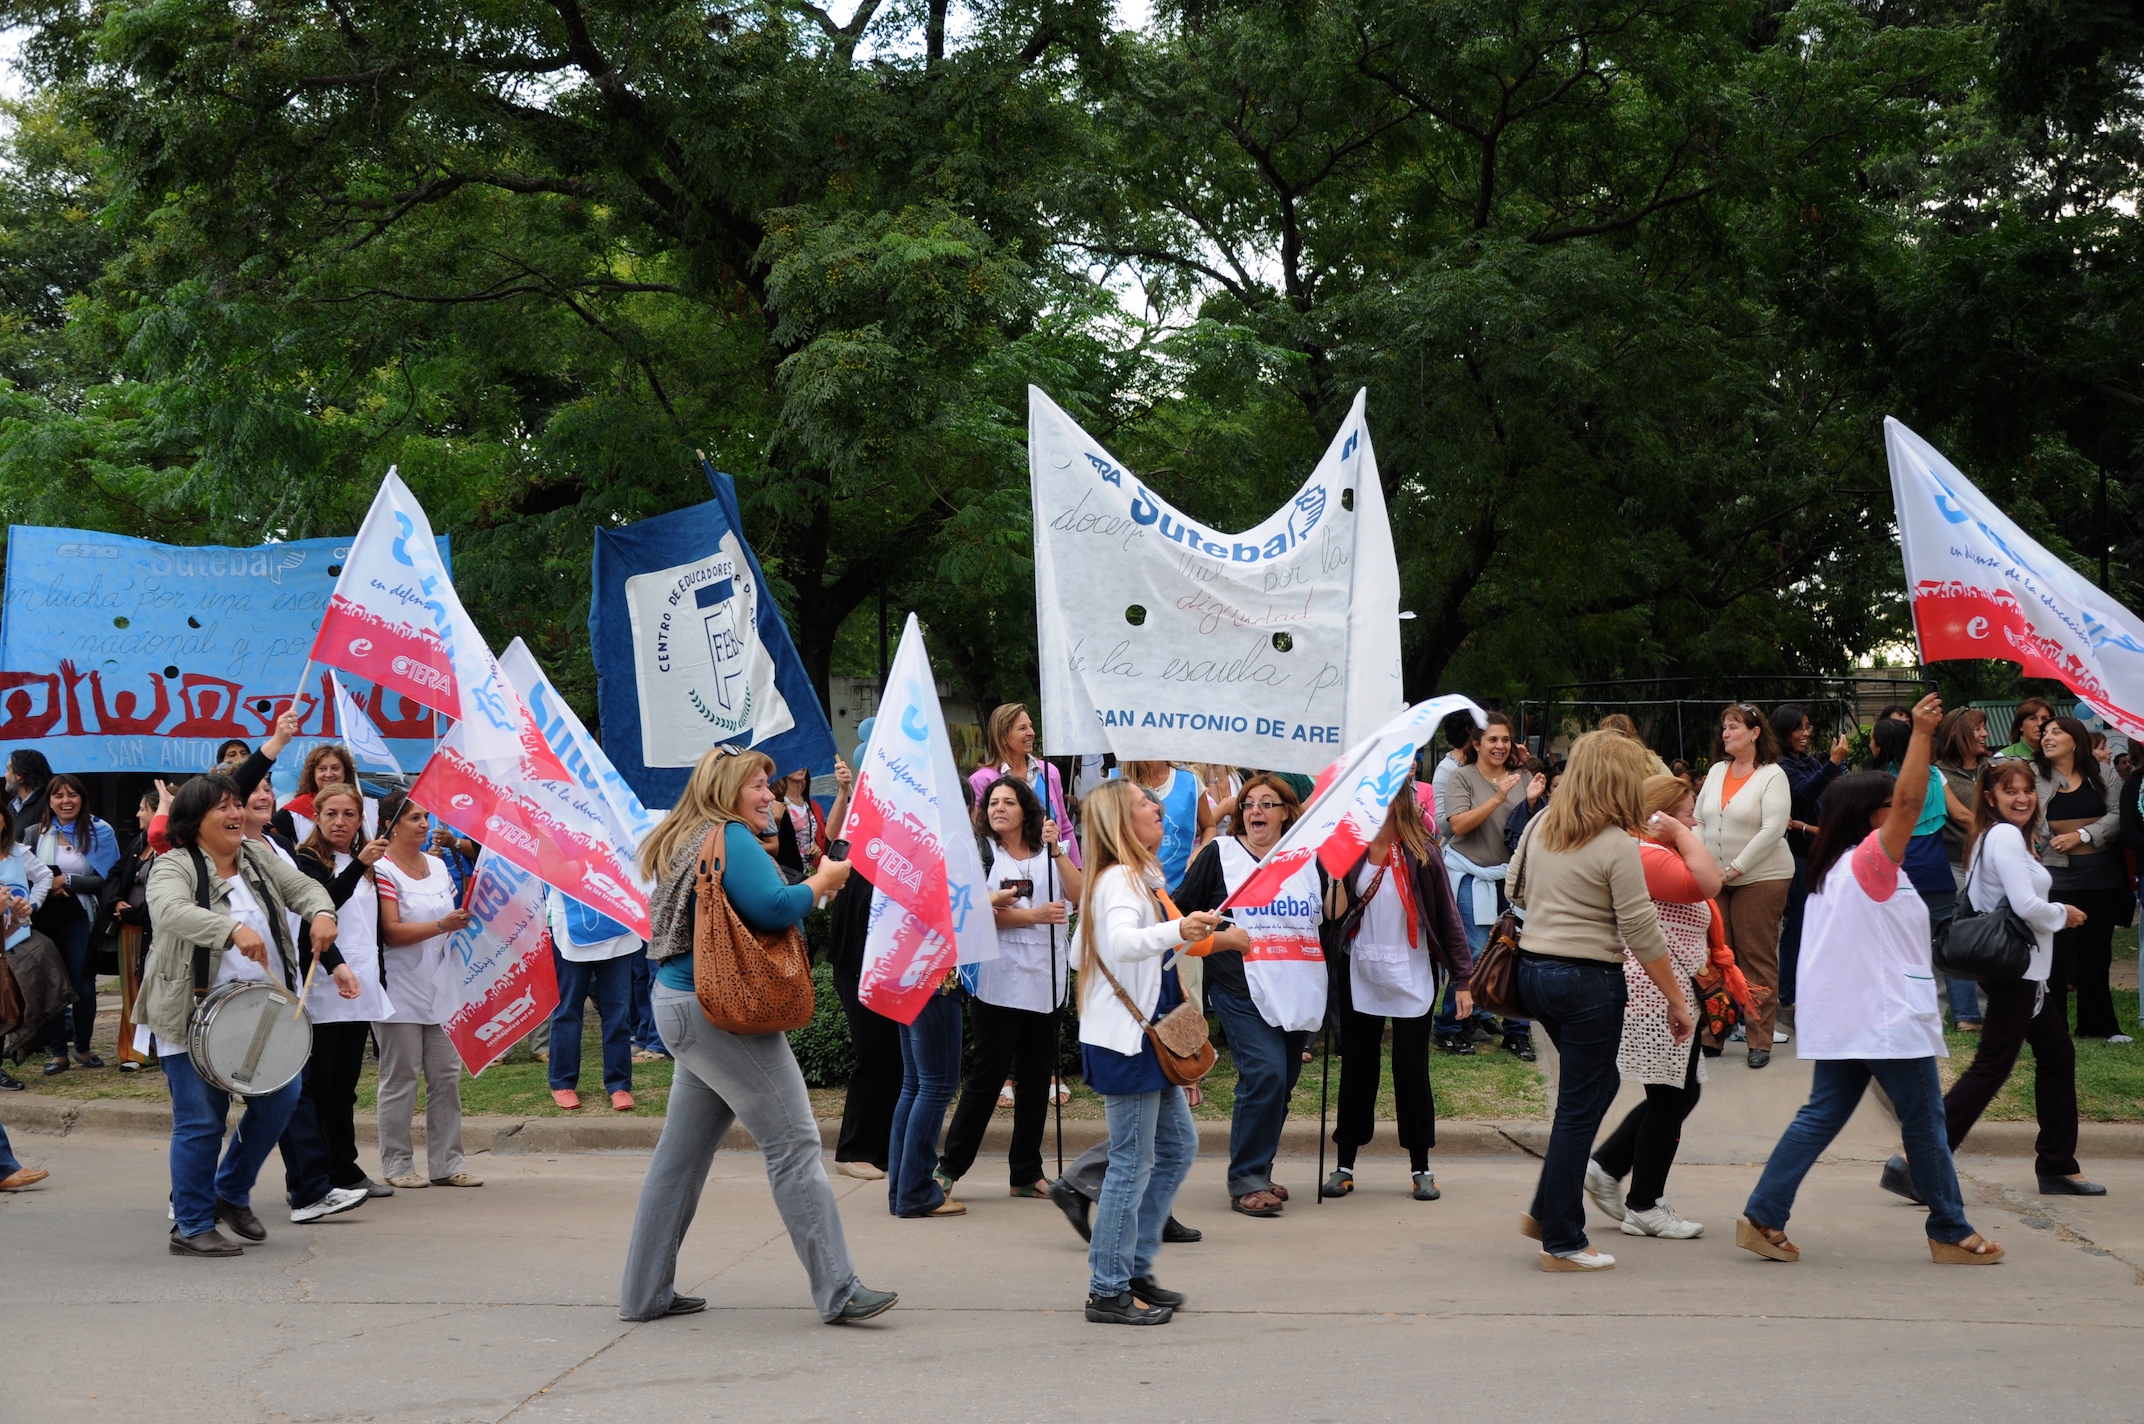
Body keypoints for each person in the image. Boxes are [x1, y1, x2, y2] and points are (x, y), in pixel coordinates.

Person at [620, 743, 889, 1323]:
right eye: (758, 786)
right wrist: (823, 882)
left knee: (679, 1159)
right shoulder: (730, 836)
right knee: (793, 1145)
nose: (768, 794)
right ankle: (840, 1291)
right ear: (727, 791)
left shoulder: (685, 834)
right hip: (722, 1010)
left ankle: (644, 1294)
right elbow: (772, 908)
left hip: (683, 1006)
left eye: (768, 784)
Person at [1737, 692, 2005, 1265]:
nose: (1902, 813)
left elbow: (1904, 805)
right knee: (1927, 1122)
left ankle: (1763, 1214)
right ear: (1872, 817)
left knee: (1822, 1115)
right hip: (1883, 1019)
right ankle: (1951, 1229)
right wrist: (1924, 735)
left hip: (1855, 1018)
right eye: (1890, 808)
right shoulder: (1868, 863)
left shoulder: (1841, 868)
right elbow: (1910, 800)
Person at [136, 772, 342, 1256]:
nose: (236, 814)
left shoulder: (258, 857)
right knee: (201, 1121)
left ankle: (229, 1192)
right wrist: (227, 930)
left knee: (281, 1098)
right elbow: (168, 911)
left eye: (238, 805)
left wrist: (323, 914)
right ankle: (189, 1224)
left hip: (259, 1012)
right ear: (194, 820)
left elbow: (306, 889)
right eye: (222, 808)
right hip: (190, 1011)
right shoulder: (174, 865)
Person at [1509, 729, 1692, 1271]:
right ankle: (1563, 1239)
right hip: (1589, 981)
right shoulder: (1615, 842)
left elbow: (1512, 888)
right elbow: (1641, 931)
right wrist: (1678, 1001)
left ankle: (1548, 1209)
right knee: (1580, 1105)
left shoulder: (1544, 823)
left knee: (1597, 1087)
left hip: (1533, 971)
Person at [1884, 757, 2100, 1204]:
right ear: (1990, 798)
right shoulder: (2002, 836)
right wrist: (2066, 914)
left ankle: (2058, 1164)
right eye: (2010, 791)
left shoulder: (1999, 838)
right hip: (2017, 971)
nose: (2021, 798)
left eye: (2026, 790)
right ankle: (1916, 1159)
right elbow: (2025, 905)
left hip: (2027, 973)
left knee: (2057, 1056)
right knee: (1991, 1066)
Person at [1073, 778, 1223, 1325]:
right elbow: (1118, 944)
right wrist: (1176, 928)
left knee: (1177, 1145)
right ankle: (1108, 1288)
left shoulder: (1129, 878)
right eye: (1144, 804)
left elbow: (1079, 953)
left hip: (1141, 1038)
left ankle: (1129, 1269)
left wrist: (1176, 933)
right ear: (1121, 822)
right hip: (1129, 1043)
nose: (1157, 807)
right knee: (1131, 1164)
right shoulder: (1119, 880)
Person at [1586, 775, 1735, 1240]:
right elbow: (1709, 881)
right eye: (1688, 811)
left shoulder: (1653, 852)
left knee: (1676, 1093)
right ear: (1659, 816)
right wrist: (1680, 832)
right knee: (1672, 1096)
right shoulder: (1646, 854)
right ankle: (1644, 1204)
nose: (1696, 819)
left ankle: (1608, 1167)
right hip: (1655, 991)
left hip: (1667, 986)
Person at [1172, 775, 1321, 1216]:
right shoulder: (1221, 855)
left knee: (1283, 1083)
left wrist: (1336, 873)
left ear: (1286, 814)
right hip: (1241, 988)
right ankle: (1246, 1180)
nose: (1256, 811)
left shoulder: (1305, 857)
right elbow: (1179, 911)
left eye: (1267, 804)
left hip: (1296, 985)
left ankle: (1260, 1167)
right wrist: (1215, 932)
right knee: (1266, 1074)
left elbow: (1329, 915)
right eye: (1249, 804)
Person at [1319, 784, 1474, 1203]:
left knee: (1410, 1070)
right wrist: (1333, 874)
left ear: (1398, 803)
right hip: (1362, 971)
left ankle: (1421, 1166)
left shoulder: (1423, 853)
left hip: (1411, 975)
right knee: (1357, 1068)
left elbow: (1447, 918)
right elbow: (1332, 914)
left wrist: (1463, 979)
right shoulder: (1349, 853)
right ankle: (1344, 1163)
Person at [937, 776, 1081, 1198]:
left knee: (1037, 1078)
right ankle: (949, 1168)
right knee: (988, 1075)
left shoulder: (1049, 851)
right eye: (992, 802)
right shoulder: (981, 853)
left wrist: (1057, 850)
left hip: (1046, 978)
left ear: (1027, 810)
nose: (998, 808)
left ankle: (1026, 1171)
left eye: (1008, 802)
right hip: (999, 978)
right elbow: (974, 912)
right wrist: (1032, 917)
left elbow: (1077, 894)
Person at [292, 784, 398, 1200]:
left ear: (360, 819)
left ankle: (344, 1166)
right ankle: (309, 1176)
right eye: (331, 813)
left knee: (345, 1086)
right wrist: (357, 866)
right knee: (319, 1087)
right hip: (323, 987)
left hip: (362, 983)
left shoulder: (369, 863)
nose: (340, 822)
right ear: (316, 816)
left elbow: (369, 928)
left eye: (349, 814)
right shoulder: (305, 861)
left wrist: (379, 977)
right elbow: (320, 908)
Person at [373, 793, 480, 1190]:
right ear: (392, 824)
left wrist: (458, 922)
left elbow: (453, 916)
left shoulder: (437, 865)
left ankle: (448, 1162)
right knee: (401, 1078)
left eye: (424, 816)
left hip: (440, 986)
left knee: (446, 1076)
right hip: (400, 989)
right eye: (414, 817)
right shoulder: (382, 870)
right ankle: (398, 1164)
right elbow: (391, 932)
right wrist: (442, 926)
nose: (423, 823)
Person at [1433, 711, 1538, 1061]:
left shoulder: (1520, 777)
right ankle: (1450, 1026)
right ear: (1476, 743)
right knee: (1474, 953)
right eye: (1492, 739)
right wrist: (1496, 797)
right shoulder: (1461, 778)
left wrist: (1532, 796)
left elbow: (1533, 825)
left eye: (1505, 739)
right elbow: (1457, 826)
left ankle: (1517, 1032)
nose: (1500, 746)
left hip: (1511, 879)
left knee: (1519, 953)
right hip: (1472, 876)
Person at [1693, 702, 1792, 1067]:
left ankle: (1759, 1038)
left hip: (1761, 878)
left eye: (1733, 726)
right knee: (1716, 958)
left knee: (1755, 958)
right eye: (1724, 727)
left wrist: (1732, 870)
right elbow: (1699, 820)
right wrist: (1702, 862)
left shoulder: (1772, 776)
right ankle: (1713, 1035)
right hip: (1715, 877)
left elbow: (1772, 830)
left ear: (1754, 733)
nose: (1726, 733)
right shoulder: (1717, 770)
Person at [825, 724, 899, 1182]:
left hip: (892, 953)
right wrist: (846, 795)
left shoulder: (902, 821)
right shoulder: (859, 820)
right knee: (875, 1052)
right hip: (856, 954)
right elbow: (831, 848)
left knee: (895, 1055)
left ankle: (886, 1147)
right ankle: (853, 1149)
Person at [2033, 715, 2130, 1041]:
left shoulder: (2103, 774)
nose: (2047, 737)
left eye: (2055, 732)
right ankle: (2053, 1027)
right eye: (2044, 733)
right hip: (2055, 878)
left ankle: (2099, 1026)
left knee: (2096, 955)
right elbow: (2021, 812)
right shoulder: (2034, 776)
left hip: (2101, 878)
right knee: (2056, 958)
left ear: (2075, 740)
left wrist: (2083, 835)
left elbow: (2118, 815)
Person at [31, 773, 119, 1075]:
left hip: (82, 916)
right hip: (45, 917)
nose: (66, 801)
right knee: (52, 984)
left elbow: (108, 879)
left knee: (83, 985)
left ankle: (83, 1046)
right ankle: (57, 1052)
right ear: (50, 801)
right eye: (59, 796)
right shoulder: (36, 833)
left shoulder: (99, 832)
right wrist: (46, 884)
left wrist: (67, 880)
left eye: (72, 795)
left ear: (82, 798)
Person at [1773, 704, 1849, 1025]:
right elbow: (1804, 792)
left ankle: (1813, 990)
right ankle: (1787, 997)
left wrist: (1835, 769)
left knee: (1819, 926)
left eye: (1808, 727)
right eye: (1799, 728)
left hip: (1819, 851)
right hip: (1800, 855)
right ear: (1782, 731)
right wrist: (1832, 764)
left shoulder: (1805, 761)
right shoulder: (1781, 766)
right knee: (1798, 926)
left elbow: (1826, 788)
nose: (1806, 734)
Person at [545, 888, 642, 1111]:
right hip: (570, 922)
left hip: (618, 923)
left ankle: (619, 1085)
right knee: (567, 1009)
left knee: (618, 1011)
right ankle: (562, 1081)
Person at [969, 703, 1083, 869]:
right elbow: (978, 833)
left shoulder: (1049, 772)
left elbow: (1064, 827)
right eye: (1022, 728)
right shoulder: (982, 780)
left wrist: (1076, 870)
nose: (1031, 733)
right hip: (1006, 876)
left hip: (1053, 876)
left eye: (1030, 726)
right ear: (1003, 736)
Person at [1934, 709, 1992, 1030]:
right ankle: (1962, 1009)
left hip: (1992, 865)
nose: (1984, 734)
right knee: (1958, 936)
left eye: (1985, 728)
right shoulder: (1937, 773)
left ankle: (1989, 1004)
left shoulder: (1994, 767)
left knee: (1990, 934)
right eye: (1978, 728)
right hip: (1956, 865)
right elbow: (1960, 817)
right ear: (1958, 734)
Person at [0, 801, 54, 1091]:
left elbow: (45, 876)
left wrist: (30, 905)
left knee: (10, 1002)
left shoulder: (19, 853)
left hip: (14, 938)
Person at [1117, 760, 1213, 891]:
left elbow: (1209, 827)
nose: (1156, 807)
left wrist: (1200, 851)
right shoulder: (1116, 783)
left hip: (1183, 887)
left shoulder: (1189, 780)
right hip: (1132, 885)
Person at [272, 743, 375, 845]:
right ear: (313, 774)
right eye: (322, 769)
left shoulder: (368, 808)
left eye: (335, 768)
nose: (329, 774)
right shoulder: (294, 812)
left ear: (345, 772)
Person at [6, 748, 52, 839]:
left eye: (8, 770)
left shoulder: (48, 803)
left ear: (19, 776)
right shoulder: (12, 805)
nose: (5, 775)